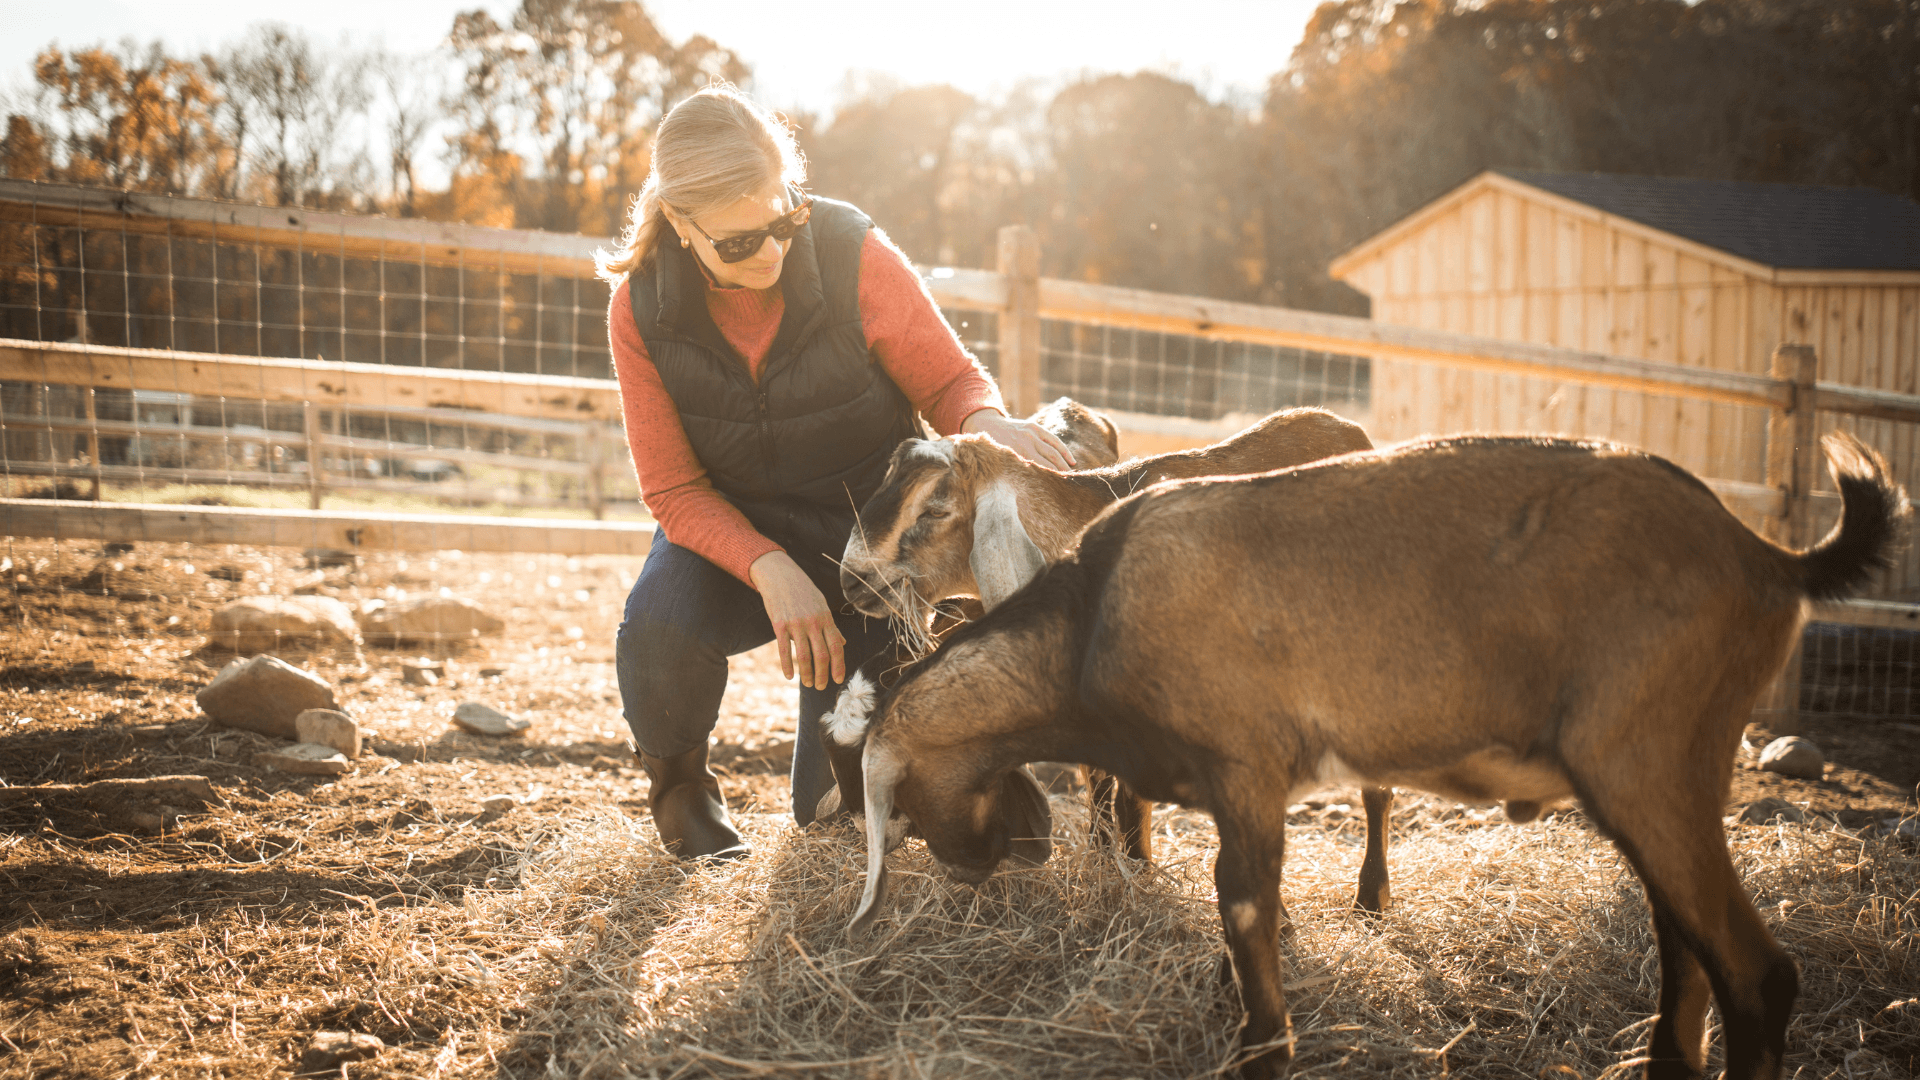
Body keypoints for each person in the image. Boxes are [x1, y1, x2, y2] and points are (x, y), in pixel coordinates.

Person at [597, 85, 1074, 861]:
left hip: (868, 540)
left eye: (783, 219)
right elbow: (674, 490)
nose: (776, 250)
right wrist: (769, 567)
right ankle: (681, 792)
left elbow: (951, 384)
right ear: (682, 226)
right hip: (733, 534)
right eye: (741, 241)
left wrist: (987, 424)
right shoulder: (640, 309)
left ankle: (966, 765)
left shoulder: (853, 253)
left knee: (832, 813)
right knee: (656, 632)